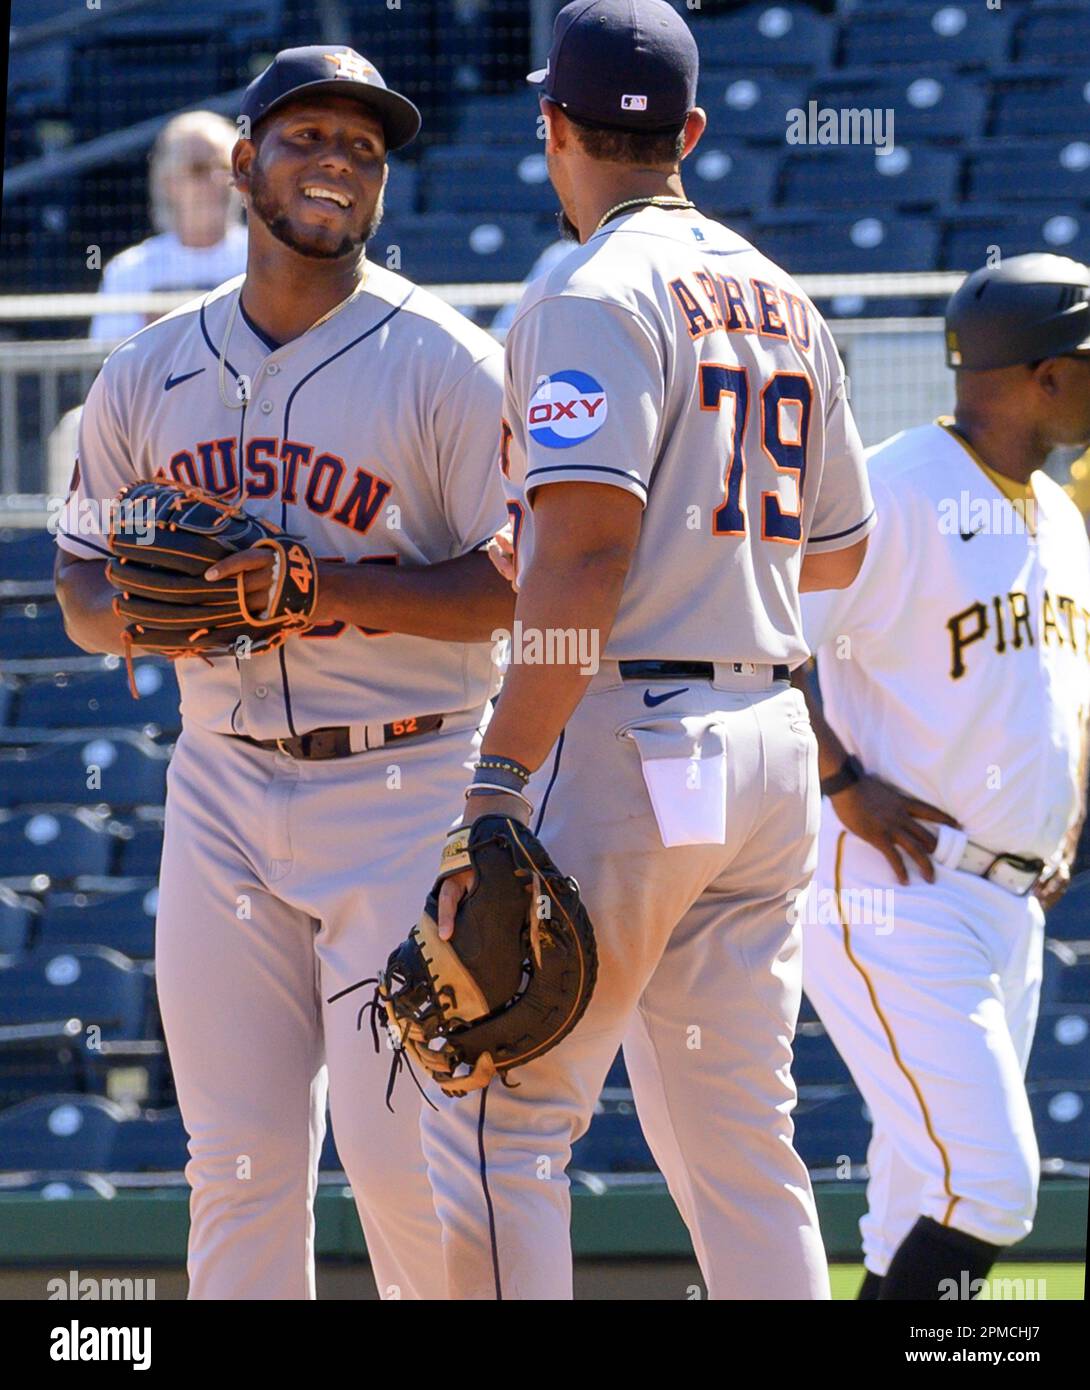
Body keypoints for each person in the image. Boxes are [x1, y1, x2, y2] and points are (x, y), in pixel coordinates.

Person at [418, 0, 874, 1300]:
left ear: (549, 125)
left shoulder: (587, 290)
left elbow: (580, 560)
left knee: (502, 1119)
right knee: (740, 1143)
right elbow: (840, 549)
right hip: (764, 745)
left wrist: (497, 776)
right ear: (686, 132)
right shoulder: (782, 298)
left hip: (626, 734)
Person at [55, 45, 514, 1300]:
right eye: (308, 138)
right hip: (221, 793)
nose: (337, 164)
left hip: (409, 784)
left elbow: (520, 582)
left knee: (405, 1159)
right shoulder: (144, 370)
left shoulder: (447, 362)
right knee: (240, 1165)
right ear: (244, 162)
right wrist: (160, 618)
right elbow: (84, 590)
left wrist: (315, 588)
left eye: (363, 150)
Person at [795, 253, 1090, 1300]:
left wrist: (1065, 817)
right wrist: (841, 781)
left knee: (918, 1198)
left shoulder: (1058, 512)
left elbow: (1064, 688)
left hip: (1007, 900)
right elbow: (770, 644)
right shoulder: (894, 486)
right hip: (897, 887)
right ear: (1044, 375)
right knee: (991, 1189)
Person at [89, 112, 247, 342]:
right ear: (169, 181)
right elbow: (107, 360)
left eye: (224, 167)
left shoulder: (269, 260)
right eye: (199, 168)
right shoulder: (129, 271)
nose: (216, 180)